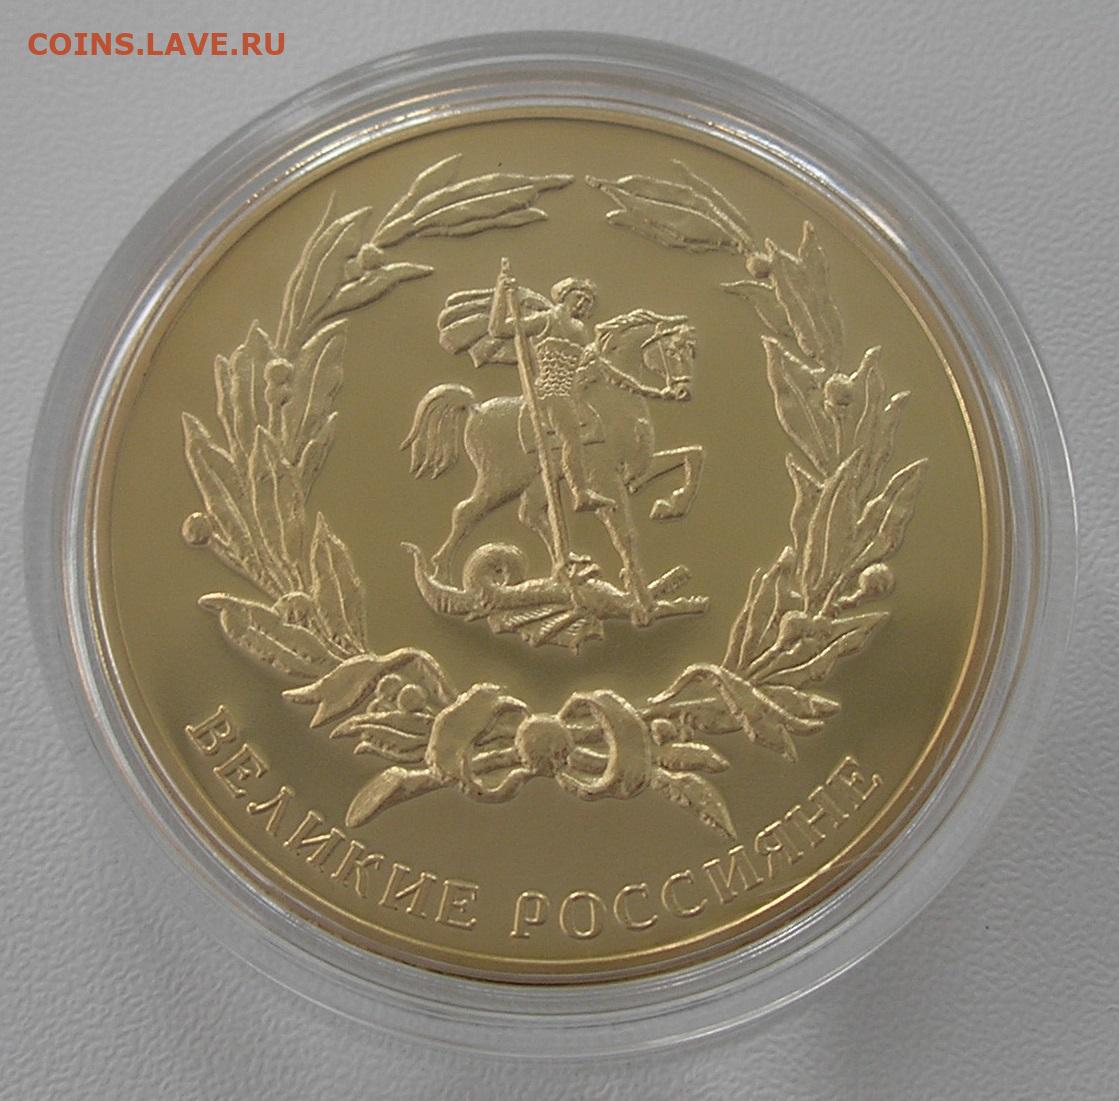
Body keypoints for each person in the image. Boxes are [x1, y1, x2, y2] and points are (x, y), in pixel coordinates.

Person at [488, 272, 616, 513]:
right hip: (550, 391)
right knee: (572, 438)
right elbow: (498, 329)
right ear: (564, 295)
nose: (583, 304)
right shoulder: (546, 320)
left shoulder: (580, 330)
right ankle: (580, 493)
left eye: (588, 302)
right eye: (579, 297)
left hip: (571, 393)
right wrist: (501, 293)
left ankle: (558, 467)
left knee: (596, 428)